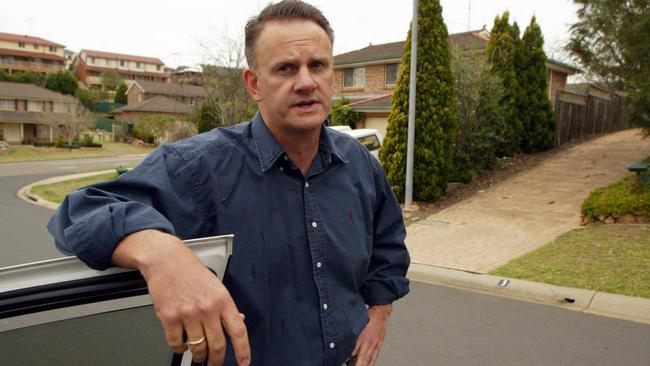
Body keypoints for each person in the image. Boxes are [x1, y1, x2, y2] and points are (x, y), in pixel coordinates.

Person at [48, 1, 410, 365]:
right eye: (285, 68)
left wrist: (379, 316)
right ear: (254, 84)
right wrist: (161, 253)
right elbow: (80, 211)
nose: (305, 82)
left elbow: (388, 245)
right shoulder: (199, 169)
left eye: (317, 65)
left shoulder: (359, 164)